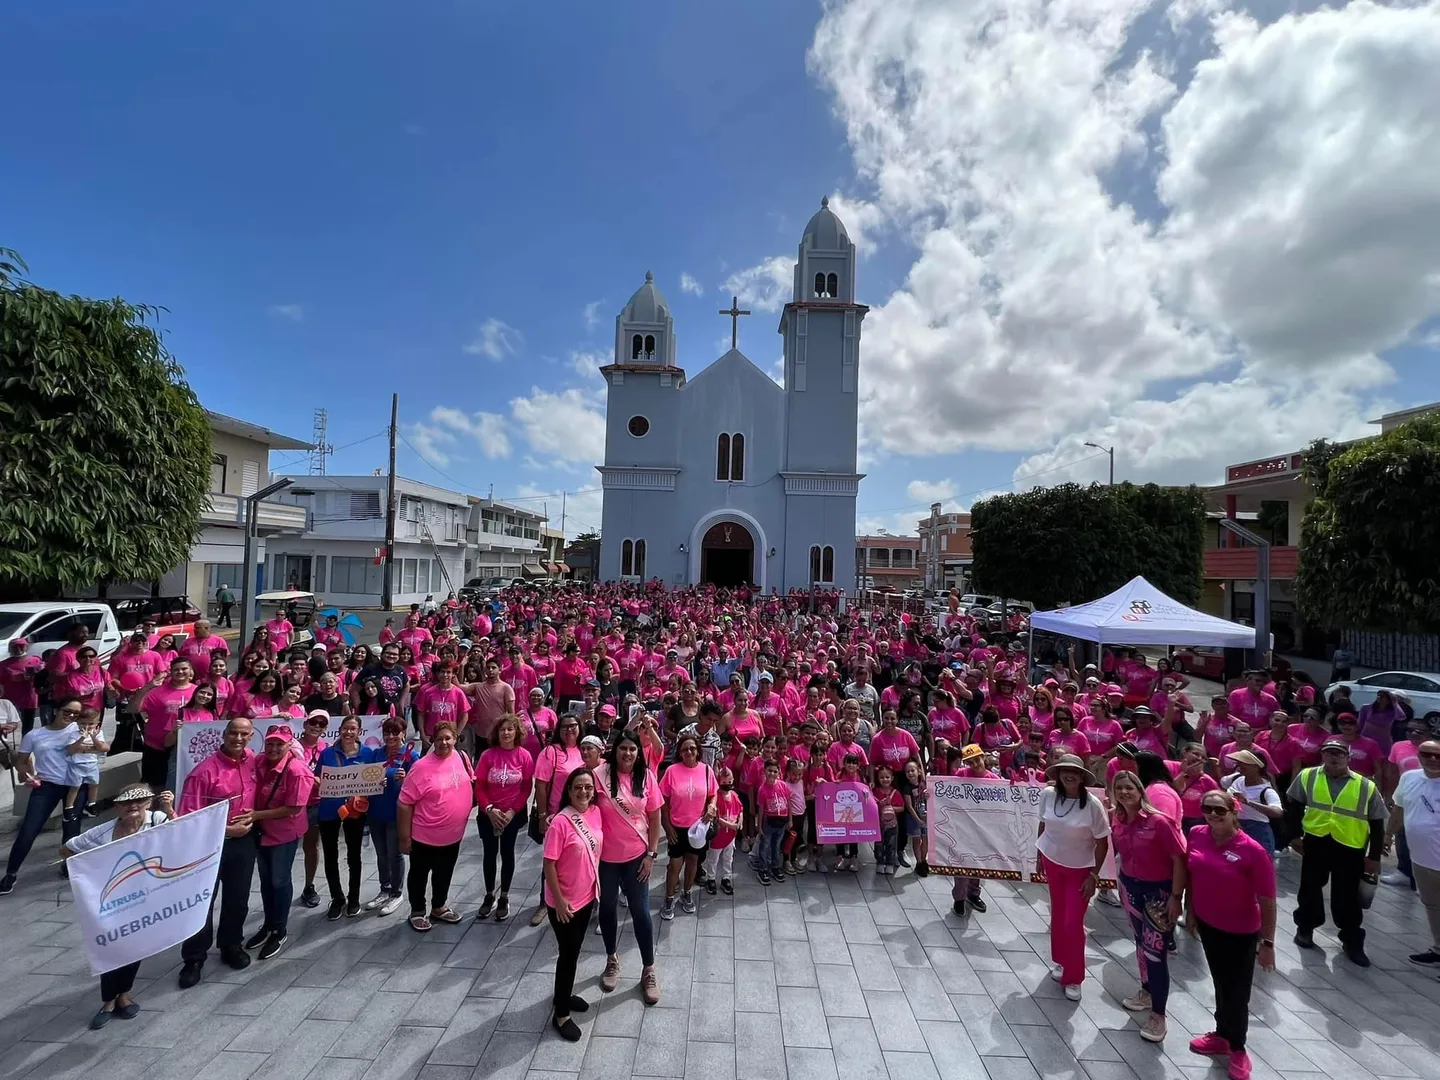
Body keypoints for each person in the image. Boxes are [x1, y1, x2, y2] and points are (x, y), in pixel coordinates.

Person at [1182, 791, 1277, 1080]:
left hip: (1241, 932)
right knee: (1221, 983)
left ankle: (1238, 1048)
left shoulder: (1252, 850)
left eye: (1219, 810)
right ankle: (1222, 1033)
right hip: (1209, 925)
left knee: (1238, 992)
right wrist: (1191, 910)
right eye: (1207, 809)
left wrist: (1267, 943)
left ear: (1234, 812)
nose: (1212, 815)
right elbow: (1192, 874)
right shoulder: (1197, 834)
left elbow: (1268, 899)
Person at [63, 785, 174, 1029]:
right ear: (117, 807)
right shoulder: (102, 832)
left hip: (146, 898)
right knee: (111, 949)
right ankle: (108, 1000)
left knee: (134, 948)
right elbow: (68, 849)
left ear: (148, 802)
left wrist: (169, 809)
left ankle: (124, 994)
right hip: (111, 901)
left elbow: (182, 835)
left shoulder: (158, 819)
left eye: (141, 801)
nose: (134, 806)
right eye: (127, 803)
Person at [1284, 737, 1385, 966]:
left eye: (1339, 754)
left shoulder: (1365, 785)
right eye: (1329, 753)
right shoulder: (1308, 776)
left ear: (1348, 757)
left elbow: (1378, 823)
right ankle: (1306, 927)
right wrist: (1293, 836)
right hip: (1316, 841)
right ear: (1322, 756)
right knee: (1309, 887)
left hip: (1350, 846)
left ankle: (1351, 939)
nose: (1334, 757)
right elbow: (1294, 808)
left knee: (1347, 895)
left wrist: (1374, 857)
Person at [175, 717, 260, 987]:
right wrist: (225, 830)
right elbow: (188, 817)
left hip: (244, 842)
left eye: (244, 734)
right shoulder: (203, 772)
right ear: (224, 735)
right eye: (233, 733)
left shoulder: (253, 761)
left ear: (250, 737)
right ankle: (194, 958)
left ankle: (231, 945)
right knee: (202, 901)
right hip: (209, 844)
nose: (238, 738)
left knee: (238, 898)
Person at [1109, 771, 1187, 1044]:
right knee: (1141, 944)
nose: (1124, 792)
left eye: (1129, 787)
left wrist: (1176, 897)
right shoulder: (1117, 819)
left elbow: (1179, 858)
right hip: (1130, 888)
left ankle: (1159, 1015)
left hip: (1159, 893)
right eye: (1119, 788)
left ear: (1140, 790)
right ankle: (1146, 990)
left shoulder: (1159, 822)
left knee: (1156, 954)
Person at [593, 729, 662, 1004]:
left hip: (637, 856)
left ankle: (648, 969)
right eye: (623, 748)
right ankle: (612, 958)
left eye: (632, 749)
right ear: (615, 750)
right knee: (607, 908)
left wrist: (651, 854)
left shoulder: (645, 777)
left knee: (640, 911)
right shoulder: (600, 775)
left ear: (638, 752)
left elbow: (655, 817)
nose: (628, 753)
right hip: (606, 858)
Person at [1035, 754, 1111, 1001]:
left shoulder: (1092, 804)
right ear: (1057, 774)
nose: (1070, 775)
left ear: (1081, 776)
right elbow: (1043, 825)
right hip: (1052, 861)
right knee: (1057, 914)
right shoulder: (1047, 795)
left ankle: (1074, 976)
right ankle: (1061, 961)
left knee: (1072, 921)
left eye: (1075, 772)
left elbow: (1102, 843)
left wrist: (1094, 875)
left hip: (1080, 869)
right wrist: (1039, 855)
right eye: (1065, 771)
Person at [1, 697, 91, 893]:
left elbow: (94, 750)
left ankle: (69, 864)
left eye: (77, 713)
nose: (72, 716)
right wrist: (26, 774)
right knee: (29, 830)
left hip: (75, 786)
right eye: (68, 711)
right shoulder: (35, 735)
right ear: (56, 710)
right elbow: (22, 761)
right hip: (46, 785)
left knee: (71, 830)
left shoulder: (80, 730)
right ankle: (11, 873)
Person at [543, 766, 603, 1042]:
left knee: (574, 950)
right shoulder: (560, 822)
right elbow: (549, 864)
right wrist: (560, 900)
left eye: (588, 787)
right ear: (568, 790)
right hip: (564, 903)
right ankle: (561, 1013)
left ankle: (562, 994)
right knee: (568, 955)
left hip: (587, 896)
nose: (583, 792)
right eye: (577, 787)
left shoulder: (595, 813)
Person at [246, 723, 314, 959]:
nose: (274, 748)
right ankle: (268, 924)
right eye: (270, 743)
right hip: (261, 832)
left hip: (284, 833)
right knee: (265, 880)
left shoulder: (297, 771)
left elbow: (294, 808)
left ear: (289, 746)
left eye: (279, 744)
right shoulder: (259, 761)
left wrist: (256, 815)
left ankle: (280, 929)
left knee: (279, 880)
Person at [398, 720, 474, 931]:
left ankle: (439, 906)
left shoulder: (461, 757)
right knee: (419, 875)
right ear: (432, 740)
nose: (444, 743)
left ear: (455, 739)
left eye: (448, 738)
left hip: (453, 835)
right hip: (424, 837)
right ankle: (418, 911)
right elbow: (404, 803)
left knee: (444, 872)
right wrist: (405, 838)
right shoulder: (421, 767)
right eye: (439, 739)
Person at [474, 715, 535, 922]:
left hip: (511, 815)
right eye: (502, 730)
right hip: (488, 814)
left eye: (510, 729)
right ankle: (489, 893)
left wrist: (511, 812)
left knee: (507, 853)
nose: (506, 733)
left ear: (516, 732)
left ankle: (504, 896)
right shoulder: (487, 756)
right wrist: (489, 809)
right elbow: (479, 785)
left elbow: (526, 788)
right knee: (489, 854)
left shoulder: (525, 756)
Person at [1386, 738, 1440, 967]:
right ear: (1418, 755)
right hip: (1421, 858)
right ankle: (1438, 949)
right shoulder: (1409, 778)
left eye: (1438, 755)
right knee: (1432, 905)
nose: (1432, 759)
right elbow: (1399, 808)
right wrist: (1388, 835)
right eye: (1426, 754)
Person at [529, 712, 585, 927]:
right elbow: (541, 785)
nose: (569, 730)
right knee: (552, 860)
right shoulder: (551, 752)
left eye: (573, 726)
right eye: (564, 727)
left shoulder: (584, 750)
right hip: (557, 816)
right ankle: (545, 902)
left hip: (582, 815)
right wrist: (543, 815)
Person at [658, 732, 718, 918]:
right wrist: (667, 827)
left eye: (692, 748)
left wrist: (712, 806)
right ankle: (669, 898)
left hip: (698, 828)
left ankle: (686, 893)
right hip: (677, 828)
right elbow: (663, 801)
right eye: (685, 749)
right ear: (680, 752)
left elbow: (713, 793)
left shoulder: (707, 770)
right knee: (675, 865)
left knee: (692, 862)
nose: (689, 752)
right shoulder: (671, 771)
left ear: (698, 750)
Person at [317, 715, 370, 919]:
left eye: (353, 729)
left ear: (359, 732)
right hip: (329, 809)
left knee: (354, 855)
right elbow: (319, 776)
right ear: (340, 729)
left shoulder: (367, 753)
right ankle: (337, 898)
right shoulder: (327, 753)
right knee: (330, 856)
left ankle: (354, 897)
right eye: (345, 728)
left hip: (355, 810)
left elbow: (373, 777)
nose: (349, 732)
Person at [1221, 750, 1283, 857]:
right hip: (1235, 826)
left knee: (1261, 863)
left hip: (1257, 830)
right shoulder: (1237, 779)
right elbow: (1223, 782)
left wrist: (1248, 802)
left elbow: (1277, 812)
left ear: (1256, 767)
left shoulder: (1266, 790)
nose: (1239, 766)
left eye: (1245, 763)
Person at [704, 766, 743, 896]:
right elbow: (716, 818)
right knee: (713, 858)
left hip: (730, 835)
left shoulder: (734, 795)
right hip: (719, 834)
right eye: (724, 782)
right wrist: (731, 825)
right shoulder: (716, 797)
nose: (727, 785)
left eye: (729, 782)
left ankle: (726, 877)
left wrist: (740, 821)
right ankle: (711, 878)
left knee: (728, 858)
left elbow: (740, 809)